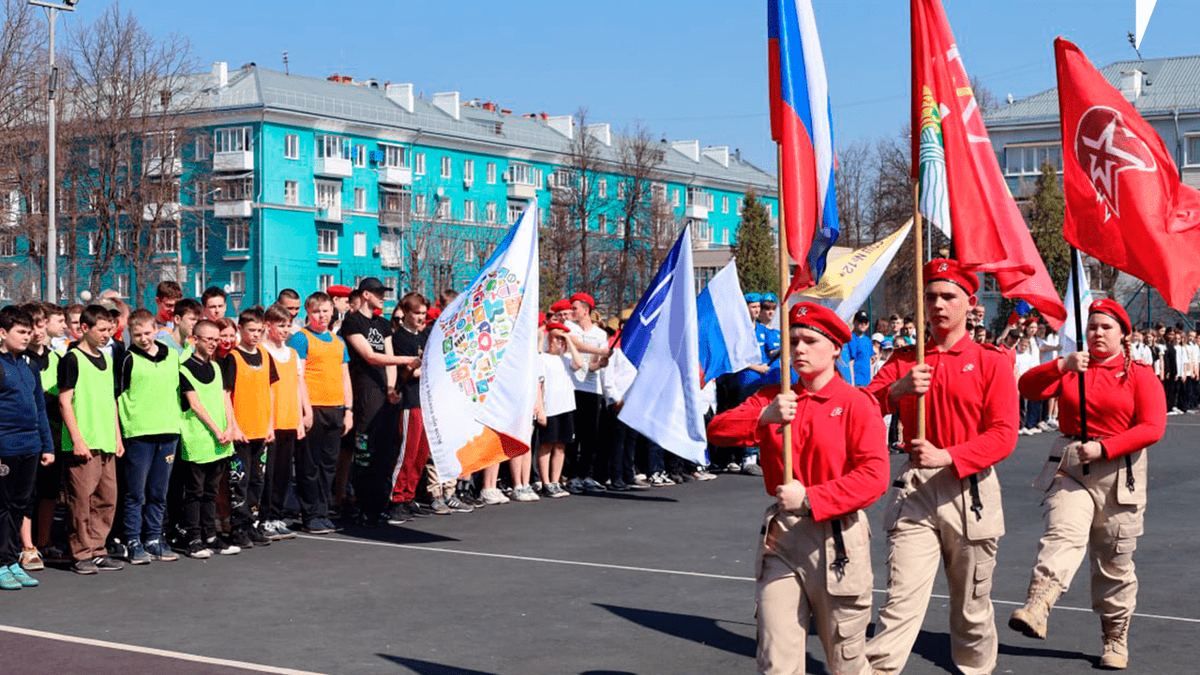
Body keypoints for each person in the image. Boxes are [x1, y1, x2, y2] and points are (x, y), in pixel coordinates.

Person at [708, 302, 889, 675]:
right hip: (783, 539)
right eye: (793, 341)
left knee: (847, 662)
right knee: (777, 658)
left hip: (837, 535)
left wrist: (812, 497)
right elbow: (718, 430)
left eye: (809, 340)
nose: (799, 349)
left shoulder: (856, 403)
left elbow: (874, 475)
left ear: (837, 347)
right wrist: (764, 416)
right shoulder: (776, 397)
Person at [864, 259, 1019, 675]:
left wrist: (949, 456)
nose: (937, 305)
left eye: (948, 296)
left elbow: (1004, 434)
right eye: (930, 296)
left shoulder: (991, 361)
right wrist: (896, 389)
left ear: (970, 304)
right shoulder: (905, 360)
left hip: (969, 490)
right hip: (915, 491)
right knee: (899, 603)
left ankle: (974, 669)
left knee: (971, 609)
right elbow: (859, 409)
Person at [1008, 299, 1165, 670]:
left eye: (1106, 327)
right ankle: (1038, 604)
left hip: (1118, 474)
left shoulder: (1139, 374)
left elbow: (1152, 427)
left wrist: (1105, 446)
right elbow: (1028, 388)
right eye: (1092, 326)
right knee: (1062, 534)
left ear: (1123, 334)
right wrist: (1060, 365)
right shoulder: (1074, 367)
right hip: (1072, 467)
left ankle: (1115, 636)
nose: (1097, 333)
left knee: (1113, 564)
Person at [341, 278, 415, 526]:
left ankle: (379, 504)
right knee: (365, 453)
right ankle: (362, 505)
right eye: (378, 292)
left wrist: (392, 387)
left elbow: (389, 356)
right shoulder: (352, 321)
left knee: (386, 451)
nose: (382, 296)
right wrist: (410, 360)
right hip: (364, 394)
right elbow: (370, 356)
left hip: (384, 396)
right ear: (365, 295)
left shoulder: (383, 324)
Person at [58, 305, 126, 574]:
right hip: (84, 442)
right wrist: (77, 440)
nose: (106, 335)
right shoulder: (71, 358)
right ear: (84, 329)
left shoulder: (107, 359)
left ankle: (98, 549)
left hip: (106, 440)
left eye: (109, 329)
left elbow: (111, 401)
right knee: (81, 500)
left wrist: (117, 436)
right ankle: (81, 552)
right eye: (101, 330)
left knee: (107, 498)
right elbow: (65, 401)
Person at [116, 309, 182, 564]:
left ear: (156, 330)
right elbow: (118, 396)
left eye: (147, 333)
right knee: (135, 493)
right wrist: (120, 434)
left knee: (158, 492)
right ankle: (133, 539)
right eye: (137, 334)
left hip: (167, 433)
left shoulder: (171, 356)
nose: (143, 338)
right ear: (130, 334)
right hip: (138, 434)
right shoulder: (126, 359)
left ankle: (154, 537)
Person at [287, 292, 352, 534]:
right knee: (309, 466)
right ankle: (311, 514)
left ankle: (323, 512)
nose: (321, 316)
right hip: (313, 409)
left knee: (328, 466)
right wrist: (305, 410)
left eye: (325, 311)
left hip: (335, 409)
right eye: (316, 311)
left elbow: (345, 376)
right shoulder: (301, 338)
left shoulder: (338, 342)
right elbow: (297, 376)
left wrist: (349, 410)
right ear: (308, 312)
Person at [0, 306, 55, 590]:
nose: (27, 337)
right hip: (5, 446)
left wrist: (47, 445)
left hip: (30, 446)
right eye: (20, 332)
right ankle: (2, 563)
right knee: (3, 506)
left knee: (21, 505)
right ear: (2, 333)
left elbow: (39, 409)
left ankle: (12, 561)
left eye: (28, 332)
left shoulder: (29, 364)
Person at [177, 320, 239, 558]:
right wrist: (215, 429)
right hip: (197, 439)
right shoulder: (183, 368)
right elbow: (195, 404)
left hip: (220, 441)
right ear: (195, 340)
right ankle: (193, 538)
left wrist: (230, 428)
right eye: (208, 339)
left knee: (212, 492)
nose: (214, 343)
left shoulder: (216, 367)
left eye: (216, 339)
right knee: (195, 492)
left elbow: (224, 400)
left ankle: (210, 535)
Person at [221, 308, 279, 547]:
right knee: (239, 483)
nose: (255, 335)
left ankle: (251, 524)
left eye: (258, 330)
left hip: (260, 430)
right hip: (241, 432)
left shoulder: (265, 355)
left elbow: (270, 392)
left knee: (258, 481)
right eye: (250, 331)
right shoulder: (232, 358)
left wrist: (270, 425)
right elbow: (226, 394)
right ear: (240, 331)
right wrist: (233, 426)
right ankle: (237, 528)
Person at [259, 304, 309, 540]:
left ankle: (277, 515)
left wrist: (300, 419)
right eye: (281, 325)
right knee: (268, 474)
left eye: (288, 325)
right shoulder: (262, 351)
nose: (286, 330)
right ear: (268, 325)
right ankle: (265, 517)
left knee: (283, 473)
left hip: (289, 419)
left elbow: (298, 387)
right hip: (271, 421)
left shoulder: (293, 354)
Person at [388, 296, 435, 520]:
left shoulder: (426, 336)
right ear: (406, 312)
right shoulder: (399, 338)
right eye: (417, 313)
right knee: (407, 452)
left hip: (426, 401)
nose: (421, 318)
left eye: (424, 313)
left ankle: (409, 494)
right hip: (409, 400)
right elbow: (409, 370)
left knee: (421, 453)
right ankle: (396, 498)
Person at [563, 292, 610, 493]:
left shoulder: (600, 334)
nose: (572, 311)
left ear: (586, 309)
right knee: (574, 434)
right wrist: (602, 352)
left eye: (575, 308)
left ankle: (587, 475)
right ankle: (572, 475)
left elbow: (594, 365)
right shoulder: (569, 327)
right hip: (572, 386)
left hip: (591, 387)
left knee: (590, 435)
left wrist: (603, 361)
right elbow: (576, 344)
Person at [536, 322, 586, 499]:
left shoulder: (566, 359)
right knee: (547, 445)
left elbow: (579, 363)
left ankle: (555, 481)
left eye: (560, 338)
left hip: (566, 407)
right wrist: (540, 409)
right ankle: (546, 482)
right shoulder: (542, 358)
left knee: (561, 446)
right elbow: (538, 384)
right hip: (550, 407)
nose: (558, 341)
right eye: (555, 337)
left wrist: (568, 341)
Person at [846, 310, 875, 386]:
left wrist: (871, 379)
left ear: (868, 324)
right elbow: (850, 363)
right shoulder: (851, 339)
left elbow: (870, 361)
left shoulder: (868, 340)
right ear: (854, 322)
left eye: (865, 322)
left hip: (867, 382)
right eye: (860, 321)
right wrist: (852, 383)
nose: (863, 324)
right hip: (857, 382)